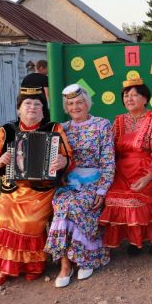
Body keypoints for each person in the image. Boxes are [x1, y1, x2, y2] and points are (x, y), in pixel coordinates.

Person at [0, 86, 73, 287]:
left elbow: (69, 157)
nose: (32, 107)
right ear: (19, 109)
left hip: (42, 191)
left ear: (43, 110)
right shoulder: (5, 131)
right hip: (12, 189)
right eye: (27, 104)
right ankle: (5, 268)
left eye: (37, 104)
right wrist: (0, 161)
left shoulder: (53, 129)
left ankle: (32, 266)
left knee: (29, 220)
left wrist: (61, 161)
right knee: (5, 216)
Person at [45, 84, 115, 288]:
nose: (75, 107)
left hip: (94, 182)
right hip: (68, 183)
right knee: (62, 206)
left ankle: (86, 259)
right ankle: (66, 265)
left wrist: (102, 189)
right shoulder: (61, 129)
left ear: (87, 103)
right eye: (70, 103)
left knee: (76, 206)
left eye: (79, 102)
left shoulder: (102, 125)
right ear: (66, 107)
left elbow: (108, 161)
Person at [99, 78, 152, 253]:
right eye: (126, 95)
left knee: (138, 197)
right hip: (122, 169)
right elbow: (111, 150)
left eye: (134, 95)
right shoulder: (119, 121)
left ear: (145, 98)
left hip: (147, 168)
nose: (129, 99)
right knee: (112, 197)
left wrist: (148, 176)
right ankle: (134, 240)